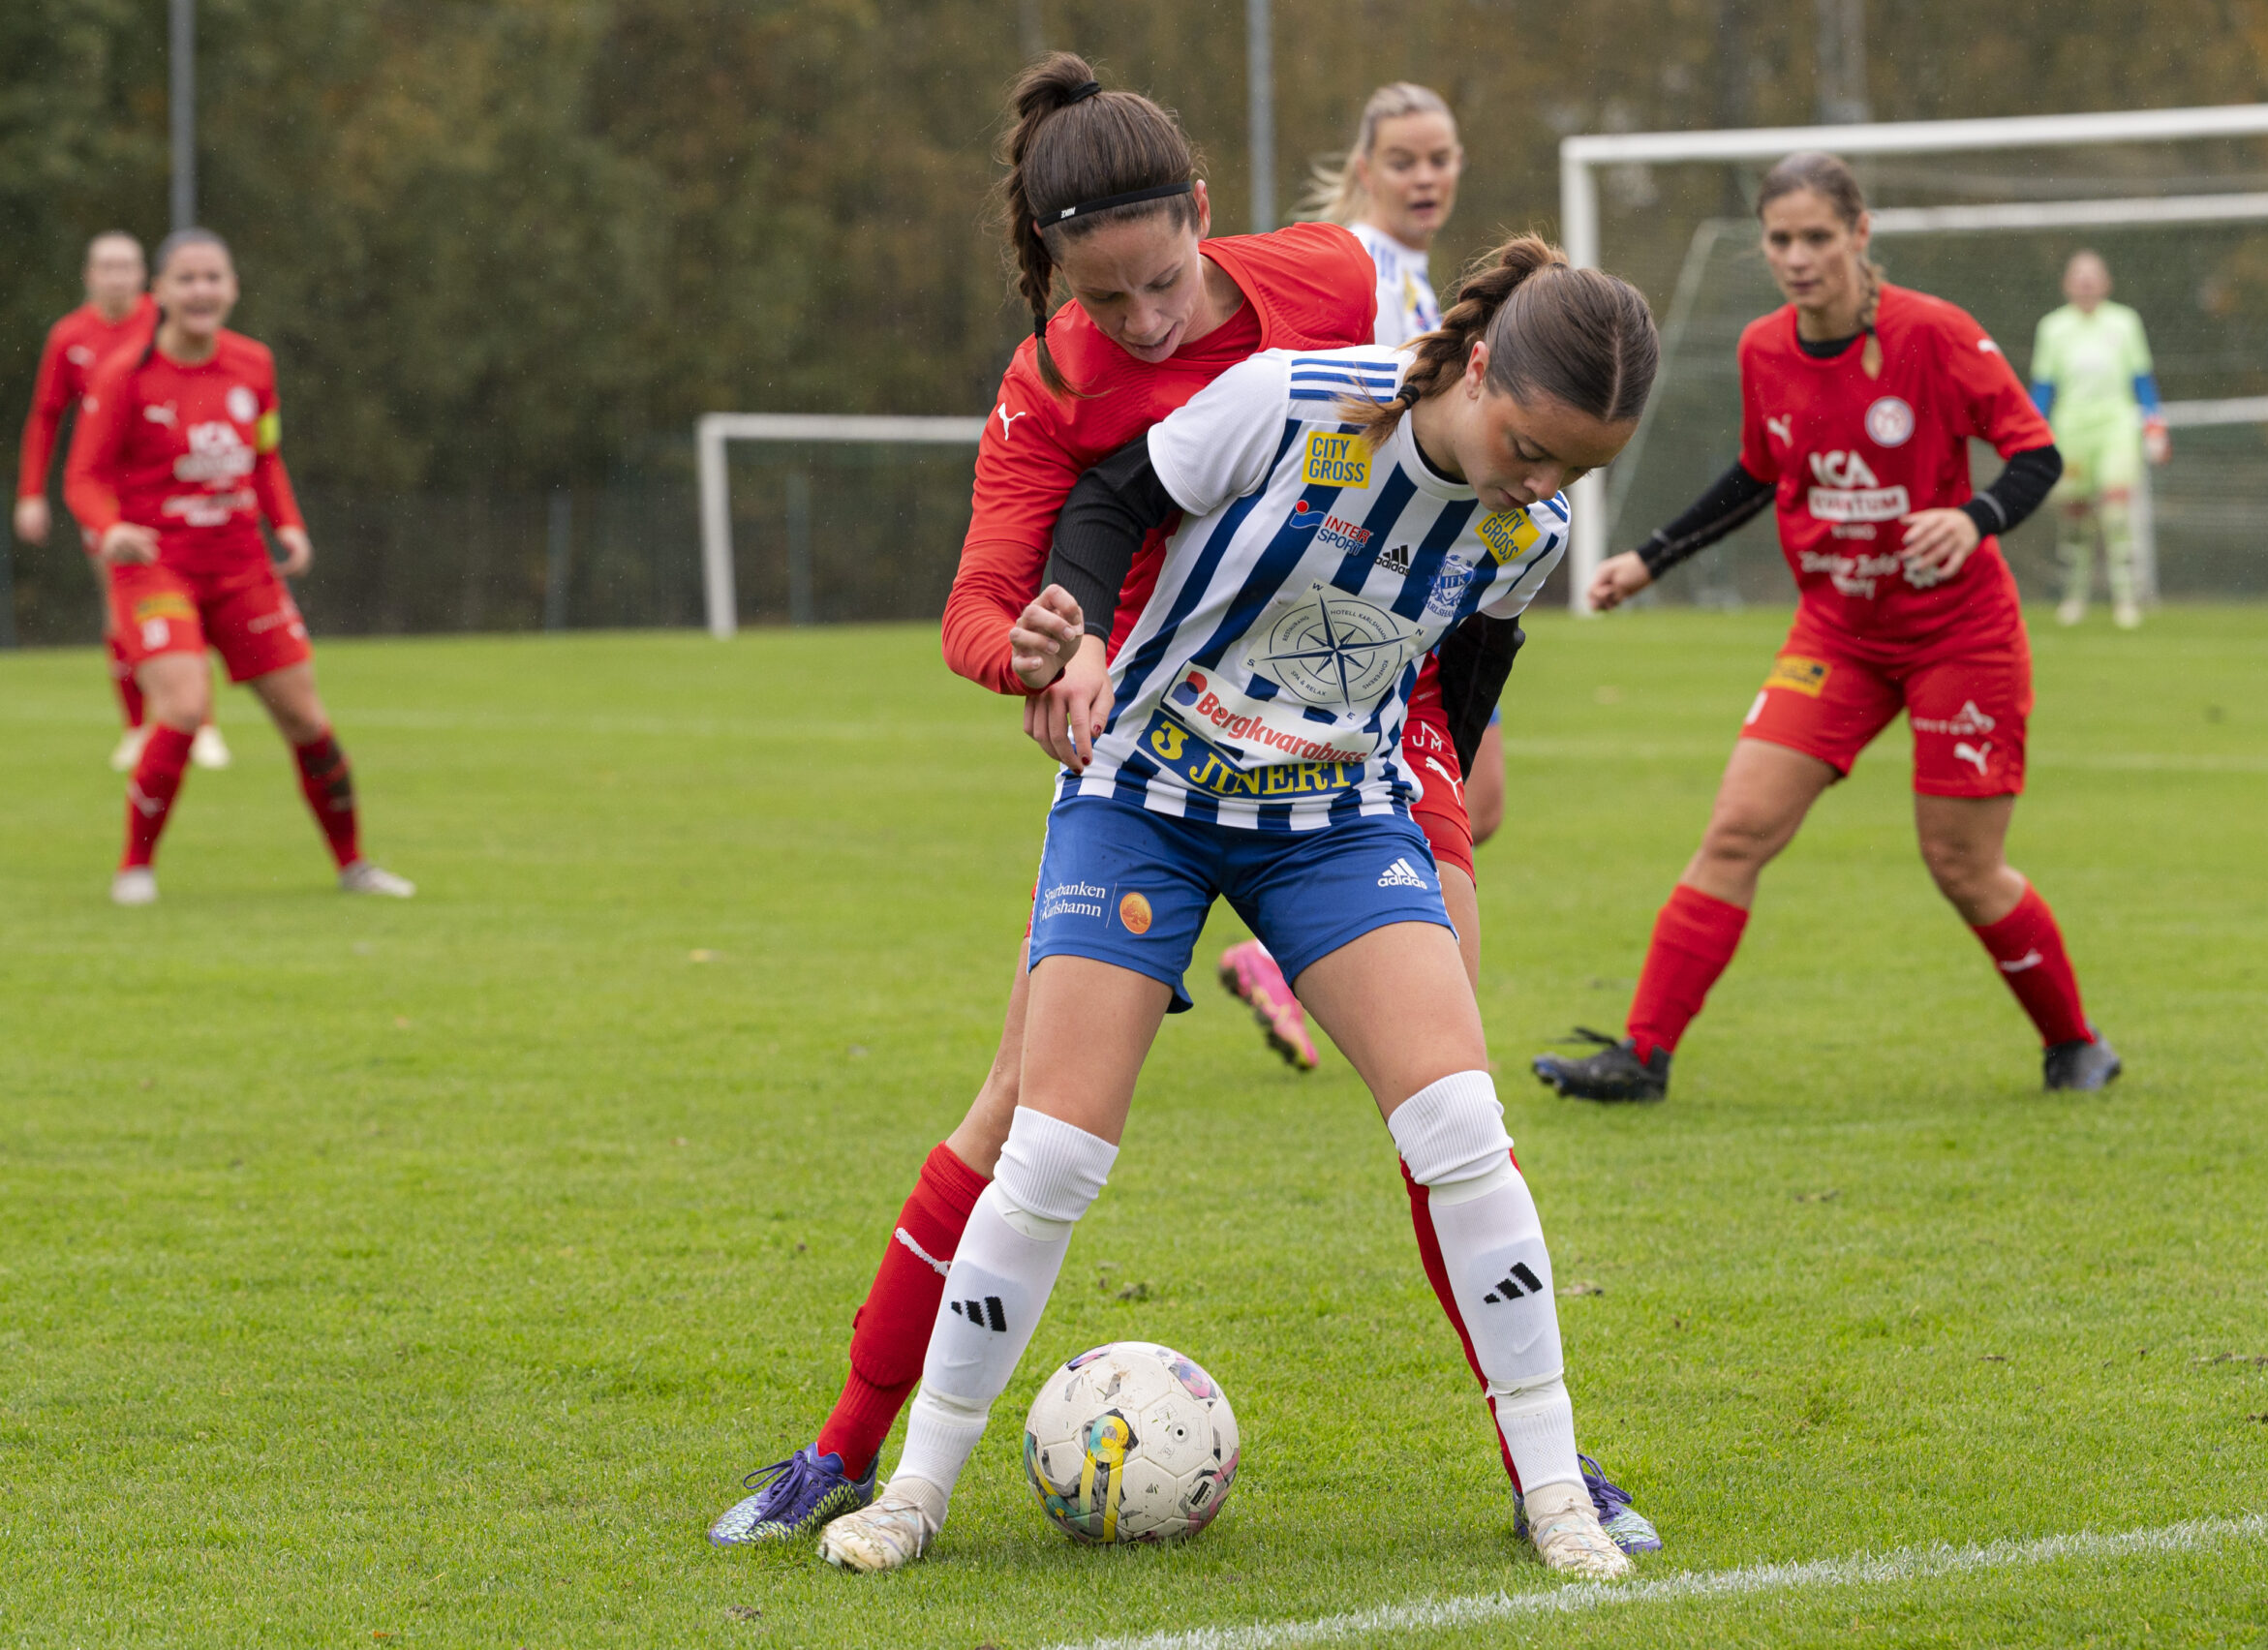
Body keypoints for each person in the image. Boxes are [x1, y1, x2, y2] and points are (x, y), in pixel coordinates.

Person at [709, 56, 1656, 1562]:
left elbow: (1475, 617)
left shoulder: (1364, 315)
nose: (1146, 321)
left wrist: (1446, 772)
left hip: (1354, 754)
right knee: (1032, 1126)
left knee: (1455, 1111)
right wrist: (1050, 638)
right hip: (1147, 747)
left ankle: (1551, 1472)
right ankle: (860, 1457)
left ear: (1204, 219)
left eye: (1164, 284)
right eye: (1109, 299)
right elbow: (1007, 577)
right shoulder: (1072, 396)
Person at [1531, 151, 2120, 1105]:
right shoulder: (1764, 349)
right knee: (1736, 830)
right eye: (1779, 239)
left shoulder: (1937, 335)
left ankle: (2075, 1042)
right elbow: (1760, 474)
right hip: (1837, 637)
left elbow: (2033, 455)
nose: (1797, 257)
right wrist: (1649, 557)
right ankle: (1642, 1056)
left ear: (1858, 233)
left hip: (1957, 637)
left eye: (1815, 236)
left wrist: (1972, 519)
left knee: (1961, 867)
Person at [1221, 81, 1481, 1067]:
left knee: (1473, 806)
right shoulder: (1354, 270)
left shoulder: (1421, 281)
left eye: (1440, 157)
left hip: (1422, 592)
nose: (1425, 177)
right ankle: (1304, 959)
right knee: (1414, 805)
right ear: (1364, 167)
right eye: (1405, 160)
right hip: (1364, 596)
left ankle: (1293, 955)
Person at [64, 229, 413, 906]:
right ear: (157, 293)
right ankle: (134, 868)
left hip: (242, 570)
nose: (202, 291)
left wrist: (287, 523)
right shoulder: (125, 376)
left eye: (214, 277)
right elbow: (82, 478)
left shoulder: (254, 365)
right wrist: (110, 529)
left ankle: (353, 865)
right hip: (158, 570)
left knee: (306, 720)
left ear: (233, 288)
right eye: (187, 279)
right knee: (185, 707)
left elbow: (266, 455)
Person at [16, 231, 230, 773]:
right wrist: (30, 493)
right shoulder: (70, 336)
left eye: (127, 266)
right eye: (106, 267)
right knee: (119, 608)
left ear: (146, 280)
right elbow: (46, 416)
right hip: (104, 491)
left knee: (191, 597)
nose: (117, 277)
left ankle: (201, 724)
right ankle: (137, 727)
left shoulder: (163, 325)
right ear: (89, 275)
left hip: (168, 483)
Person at [2031, 251, 2167, 629]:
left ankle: (2127, 599)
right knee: (2075, 518)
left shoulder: (2124, 323)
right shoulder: (2053, 328)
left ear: (2106, 282)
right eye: (2079, 276)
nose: (2087, 283)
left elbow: (2141, 379)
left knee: (2116, 512)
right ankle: (2074, 597)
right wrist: (2030, 431)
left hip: (2116, 427)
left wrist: (2154, 424)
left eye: (2094, 276)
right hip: (2072, 431)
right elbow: (2043, 388)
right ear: (2066, 284)